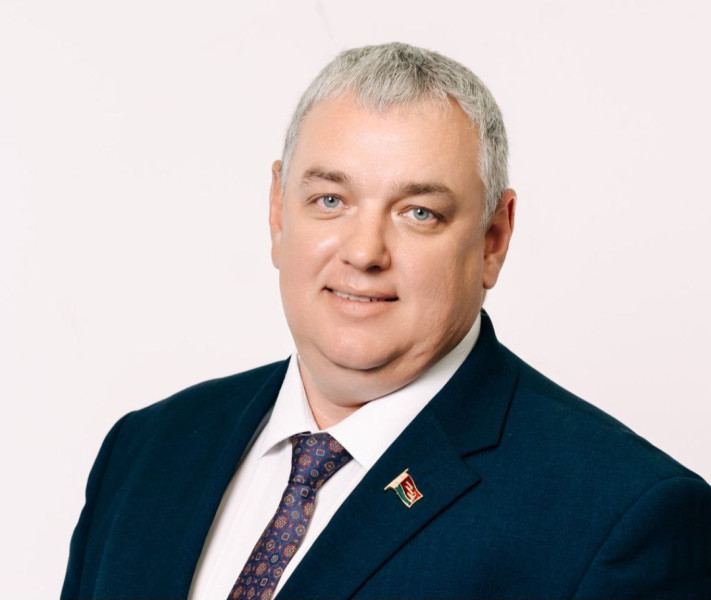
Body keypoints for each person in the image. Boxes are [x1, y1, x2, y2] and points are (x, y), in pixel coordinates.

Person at [62, 42, 711, 600]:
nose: (364, 252)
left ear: (493, 239)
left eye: (418, 212)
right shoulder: (146, 450)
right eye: (330, 199)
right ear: (278, 212)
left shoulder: (621, 517)